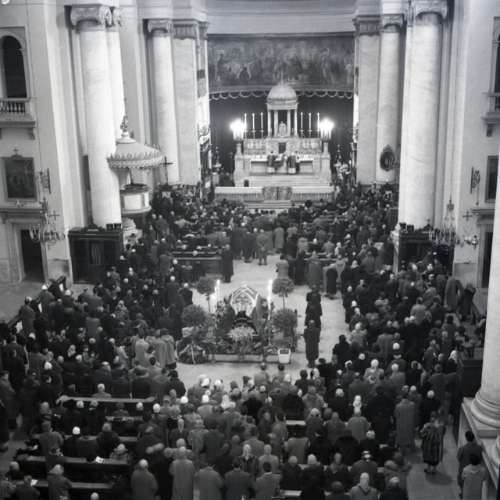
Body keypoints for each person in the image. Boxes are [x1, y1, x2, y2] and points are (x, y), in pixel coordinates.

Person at [456, 431, 482, 496]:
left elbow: (458, 458)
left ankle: (462, 493)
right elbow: (480, 458)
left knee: (463, 483)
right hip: (476, 470)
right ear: (473, 438)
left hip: (464, 468)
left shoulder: (462, 448)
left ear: (466, 438)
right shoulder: (479, 448)